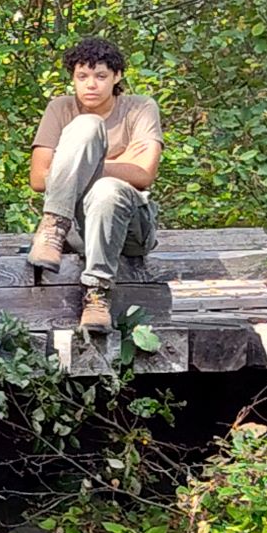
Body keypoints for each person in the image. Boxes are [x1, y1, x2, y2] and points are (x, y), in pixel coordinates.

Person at [27, 36, 163, 330]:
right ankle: (54, 225)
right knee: (86, 126)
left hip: (132, 229)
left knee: (107, 190)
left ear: (117, 77)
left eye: (101, 76)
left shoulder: (140, 108)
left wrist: (79, 165)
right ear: (73, 78)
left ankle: (98, 292)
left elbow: (143, 174)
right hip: (78, 226)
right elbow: (38, 178)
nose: (91, 84)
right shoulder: (60, 109)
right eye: (82, 76)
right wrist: (120, 163)